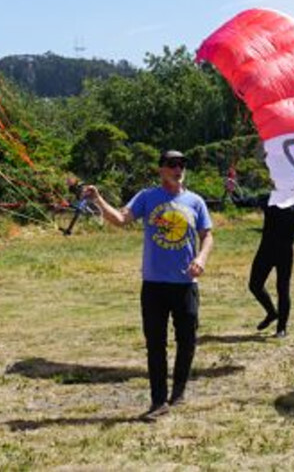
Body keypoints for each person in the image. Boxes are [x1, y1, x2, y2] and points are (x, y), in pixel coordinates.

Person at [83, 149, 214, 421]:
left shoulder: (195, 201)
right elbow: (120, 220)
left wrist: (201, 258)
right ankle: (158, 400)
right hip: (154, 284)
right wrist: (98, 199)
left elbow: (207, 236)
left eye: (182, 165)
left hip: (185, 284)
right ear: (161, 169)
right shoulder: (147, 197)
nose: (178, 169)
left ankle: (178, 391)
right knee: (155, 343)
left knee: (187, 340)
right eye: (172, 164)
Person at [248, 199, 294, 338]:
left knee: (283, 289)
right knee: (254, 285)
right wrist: (231, 190)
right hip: (265, 250)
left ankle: (281, 328)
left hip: (284, 253)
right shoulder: (271, 199)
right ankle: (272, 312)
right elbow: (244, 201)